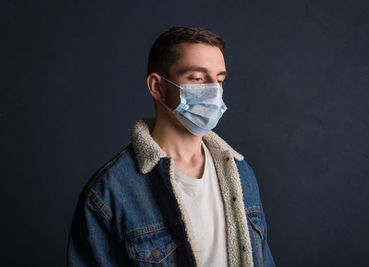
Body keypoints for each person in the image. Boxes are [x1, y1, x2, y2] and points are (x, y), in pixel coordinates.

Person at [67, 26, 275, 267]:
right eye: (197, 78)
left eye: (219, 80)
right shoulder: (109, 193)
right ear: (157, 87)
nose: (214, 91)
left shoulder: (241, 175)